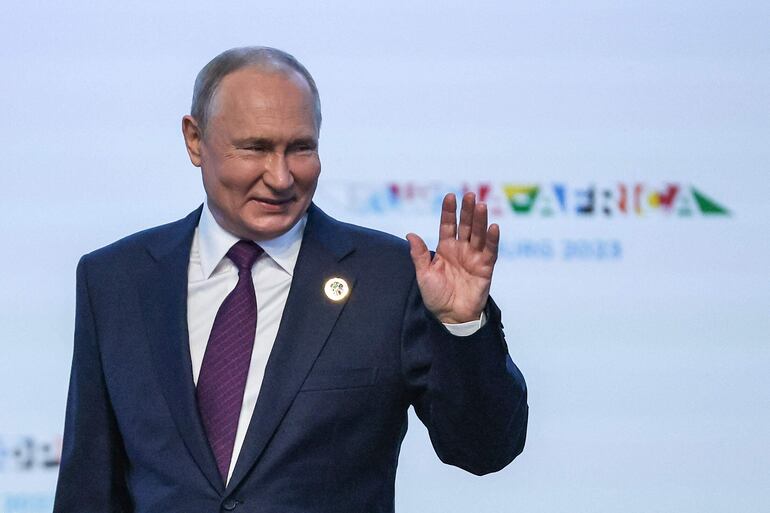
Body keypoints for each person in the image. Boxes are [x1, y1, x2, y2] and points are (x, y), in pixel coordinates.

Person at [53, 46, 528, 513]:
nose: (281, 178)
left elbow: (484, 449)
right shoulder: (116, 281)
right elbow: (89, 488)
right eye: (255, 148)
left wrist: (462, 328)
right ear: (195, 140)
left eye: (300, 148)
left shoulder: (391, 279)